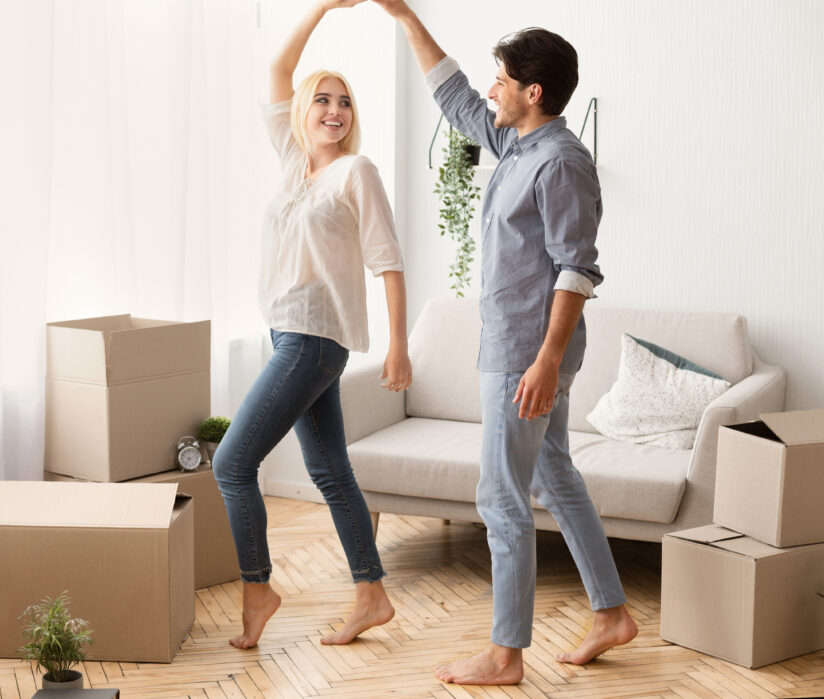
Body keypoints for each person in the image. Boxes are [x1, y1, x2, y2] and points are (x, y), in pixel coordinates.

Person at [372, 0, 637, 686]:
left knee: (500, 498)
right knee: (555, 476)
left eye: (501, 78)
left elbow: (577, 268)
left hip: (529, 354)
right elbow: (454, 96)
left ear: (533, 91)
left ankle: (504, 653)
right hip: (521, 350)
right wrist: (402, 16)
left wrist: (546, 360)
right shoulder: (515, 143)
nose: (491, 87)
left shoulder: (562, 163)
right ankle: (611, 612)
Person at [212, 0, 410, 650]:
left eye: (344, 102)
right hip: (288, 334)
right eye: (322, 99)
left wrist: (398, 347)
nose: (333, 110)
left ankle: (257, 586)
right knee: (330, 469)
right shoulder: (295, 163)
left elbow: (387, 259)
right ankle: (371, 592)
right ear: (304, 111)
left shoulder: (357, 171)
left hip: (313, 338)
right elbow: (278, 65)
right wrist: (324, 5)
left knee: (233, 464)